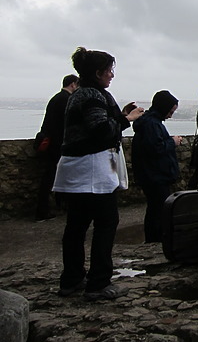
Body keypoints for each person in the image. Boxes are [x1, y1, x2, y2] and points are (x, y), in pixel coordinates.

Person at [52, 47, 144, 301]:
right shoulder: (92, 95)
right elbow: (101, 130)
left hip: (76, 170)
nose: (111, 75)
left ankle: (71, 279)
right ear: (97, 72)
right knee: (106, 224)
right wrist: (128, 120)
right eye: (109, 70)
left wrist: (121, 114)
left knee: (76, 227)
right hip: (91, 171)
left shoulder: (80, 94)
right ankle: (98, 283)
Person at [131, 90, 182, 243]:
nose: (170, 115)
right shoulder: (152, 124)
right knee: (158, 210)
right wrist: (172, 142)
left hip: (151, 174)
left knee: (155, 209)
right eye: (170, 111)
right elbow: (155, 149)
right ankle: (155, 240)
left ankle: (154, 238)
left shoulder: (149, 122)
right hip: (155, 175)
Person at [34, 74, 79, 221]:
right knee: (52, 177)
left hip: (50, 143)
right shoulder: (66, 100)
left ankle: (51, 207)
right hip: (57, 144)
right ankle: (46, 209)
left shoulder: (56, 98)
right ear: (73, 84)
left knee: (51, 177)